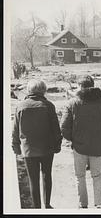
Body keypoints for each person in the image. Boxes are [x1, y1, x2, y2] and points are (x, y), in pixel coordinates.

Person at [60, 75, 101, 209]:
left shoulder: (73, 103)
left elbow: (63, 126)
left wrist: (72, 138)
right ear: (93, 85)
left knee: (80, 176)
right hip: (98, 146)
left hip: (79, 147)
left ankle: (83, 204)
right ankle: (98, 204)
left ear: (80, 87)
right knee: (97, 176)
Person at [12, 79, 62, 209]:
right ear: (43, 90)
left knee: (33, 179)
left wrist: (16, 146)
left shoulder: (20, 106)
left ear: (29, 90)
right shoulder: (48, 105)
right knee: (47, 175)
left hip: (28, 149)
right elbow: (56, 128)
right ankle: (47, 204)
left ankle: (37, 207)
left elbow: (16, 129)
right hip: (47, 148)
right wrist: (58, 144)